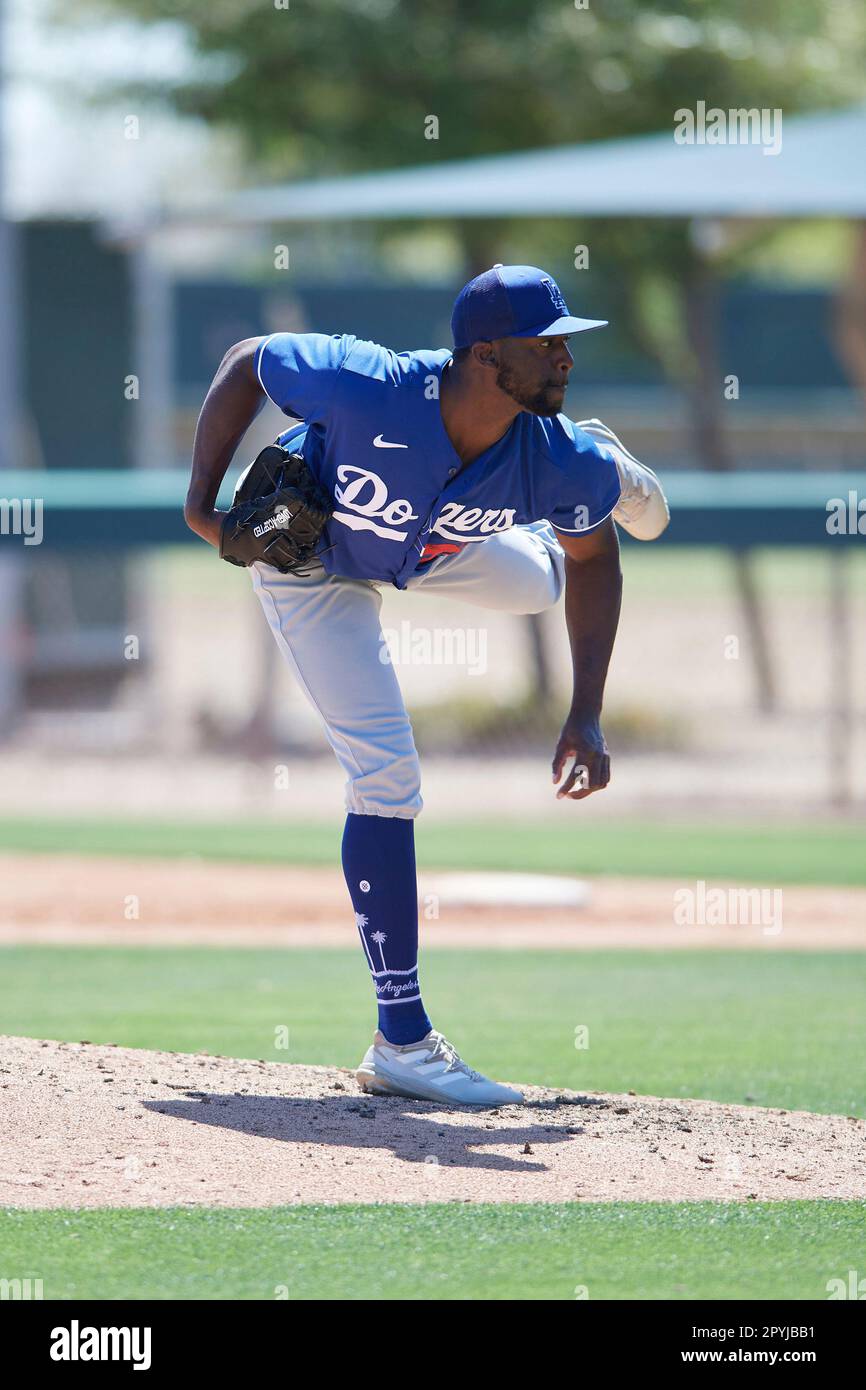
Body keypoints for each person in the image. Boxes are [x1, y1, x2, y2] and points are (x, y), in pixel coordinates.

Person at [184, 264, 669, 1107]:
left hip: (445, 548)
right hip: (315, 567)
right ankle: (401, 1039)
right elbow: (247, 359)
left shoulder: (554, 452)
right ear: (485, 354)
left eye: (566, 344)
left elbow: (598, 563)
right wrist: (202, 507)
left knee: (545, 582)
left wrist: (585, 713)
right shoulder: (366, 382)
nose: (565, 356)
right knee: (386, 778)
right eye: (546, 344)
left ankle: (606, 476)